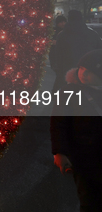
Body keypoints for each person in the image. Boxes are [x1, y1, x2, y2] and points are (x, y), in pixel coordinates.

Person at [50, 49, 102, 212]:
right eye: (81, 69)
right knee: (88, 199)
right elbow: (58, 123)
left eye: (89, 71)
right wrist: (59, 152)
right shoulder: (67, 92)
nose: (83, 74)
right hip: (82, 156)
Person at [53, 10, 102, 91]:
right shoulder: (93, 34)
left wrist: (59, 70)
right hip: (89, 71)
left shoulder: (62, 35)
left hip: (68, 71)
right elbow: (99, 52)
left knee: (70, 96)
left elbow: (58, 55)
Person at [49, 15, 67, 80]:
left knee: (61, 77)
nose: (63, 23)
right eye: (61, 22)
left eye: (64, 22)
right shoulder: (53, 32)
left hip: (65, 57)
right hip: (55, 56)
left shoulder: (67, 31)